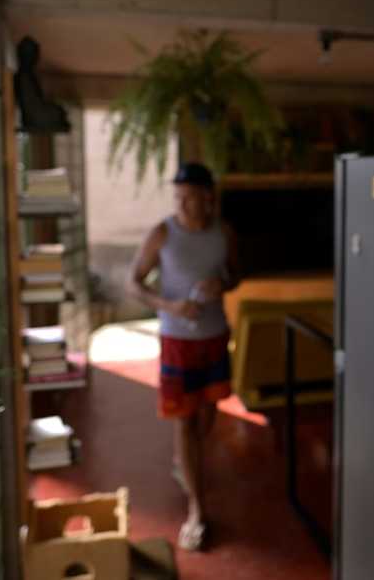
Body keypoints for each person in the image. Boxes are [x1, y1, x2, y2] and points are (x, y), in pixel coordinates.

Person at [126, 162, 240, 551]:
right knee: (184, 420)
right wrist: (170, 306)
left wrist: (221, 283)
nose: (183, 205)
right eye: (178, 197)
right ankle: (197, 510)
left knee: (206, 416)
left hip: (214, 336)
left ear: (209, 197)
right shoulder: (162, 233)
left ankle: (184, 462)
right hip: (177, 340)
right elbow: (134, 284)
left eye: (190, 197)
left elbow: (237, 276)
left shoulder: (224, 233)